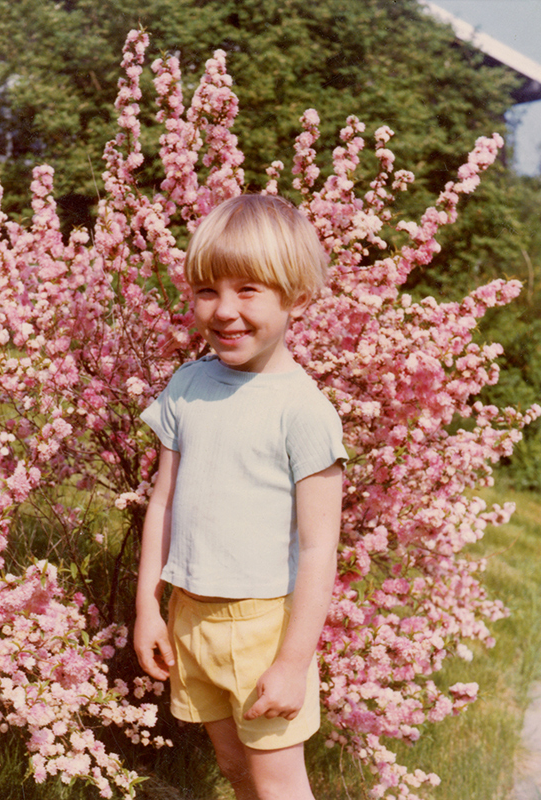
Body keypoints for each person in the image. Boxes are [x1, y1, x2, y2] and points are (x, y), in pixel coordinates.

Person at [134, 194, 347, 800]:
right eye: (207, 290)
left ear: (297, 297)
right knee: (234, 771)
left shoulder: (303, 411)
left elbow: (317, 549)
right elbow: (164, 504)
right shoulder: (188, 385)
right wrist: (150, 606)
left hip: (261, 628)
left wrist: (291, 661)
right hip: (190, 617)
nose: (224, 310)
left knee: (278, 785)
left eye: (249, 289)